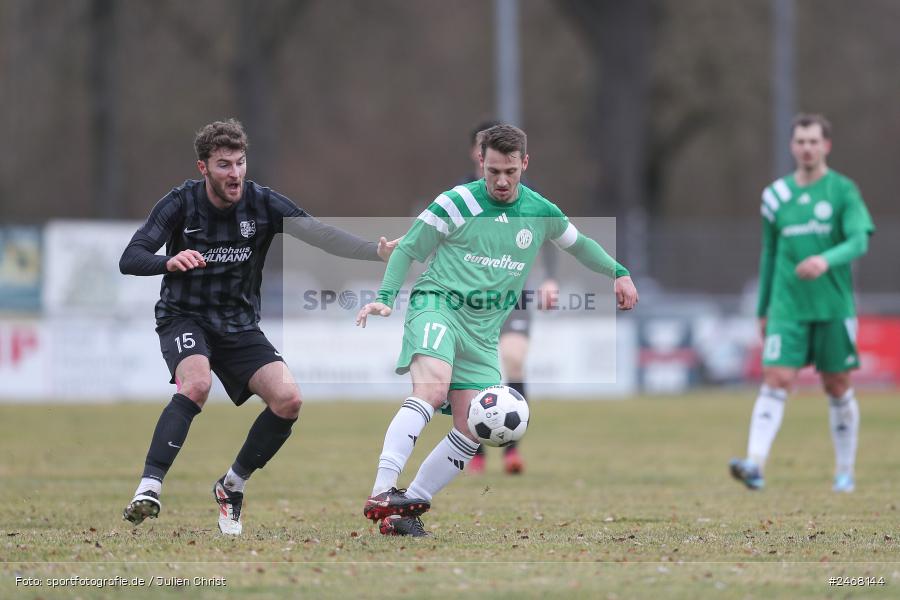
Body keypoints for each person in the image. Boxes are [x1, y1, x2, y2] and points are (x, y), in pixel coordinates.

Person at [356, 124, 638, 536]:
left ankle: (405, 510)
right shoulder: (455, 202)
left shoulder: (540, 210)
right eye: (493, 172)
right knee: (432, 390)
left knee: (473, 423)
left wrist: (618, 272)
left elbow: (579, 244)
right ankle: (382, 490)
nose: (502, 181)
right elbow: (408, 249)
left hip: (484, 331)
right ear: (481, 163)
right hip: (438, 306)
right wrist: (385, 296)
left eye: (510, 171)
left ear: (524, 163)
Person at [119, 119, 397, 535]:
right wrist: (168, 261)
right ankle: (149, 488)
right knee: (195, 385)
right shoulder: (180, 203)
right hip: (184, 316)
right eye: (224, 165)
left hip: (238, 324)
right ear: (203, 168)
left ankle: (232, 486)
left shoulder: (262, 203)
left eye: (240, 163)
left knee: (288, 400)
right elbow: (131, 256)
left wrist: (373, 252)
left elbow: (318, 233)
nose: (235, 174)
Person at [730, 113, 874, 493]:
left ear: (826, 146)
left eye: (814, 141)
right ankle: (755, 464)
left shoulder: (843, 191)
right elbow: (770, 252)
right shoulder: (775, 196)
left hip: (832, 306)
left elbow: (859, 241)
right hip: (787, 305)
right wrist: (763, 307)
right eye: (801, 141)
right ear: (792, 146)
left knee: (837, 385)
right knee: (776, 377)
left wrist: (826, 259)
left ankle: (845, 472)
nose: (807, 148)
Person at [462, 121, 560, 475]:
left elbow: (552, 235)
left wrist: (549, 278)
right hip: (470, 300)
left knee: (513, 360)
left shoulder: (525, 197)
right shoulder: (462, 196)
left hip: (514, 296)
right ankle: (472, 449)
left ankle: (510, 451)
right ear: (479, 155)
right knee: (473, 373)